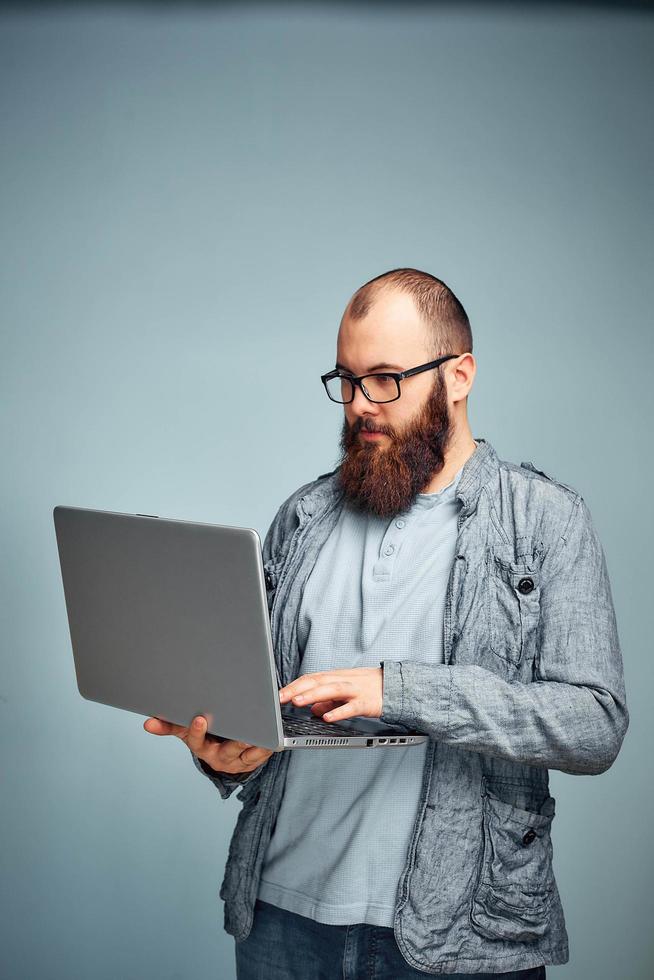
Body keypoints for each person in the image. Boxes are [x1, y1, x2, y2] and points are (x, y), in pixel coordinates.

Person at [144, 268, 629, 979]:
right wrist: (224, 751)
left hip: (458, 936)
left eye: (385, 379)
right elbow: (270, 701)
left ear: (458, 376)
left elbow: (595, 723)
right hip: (280, 921)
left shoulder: (548, 521)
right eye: (345, 379)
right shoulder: (301, 518)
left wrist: (399, 690)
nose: (359, 404)